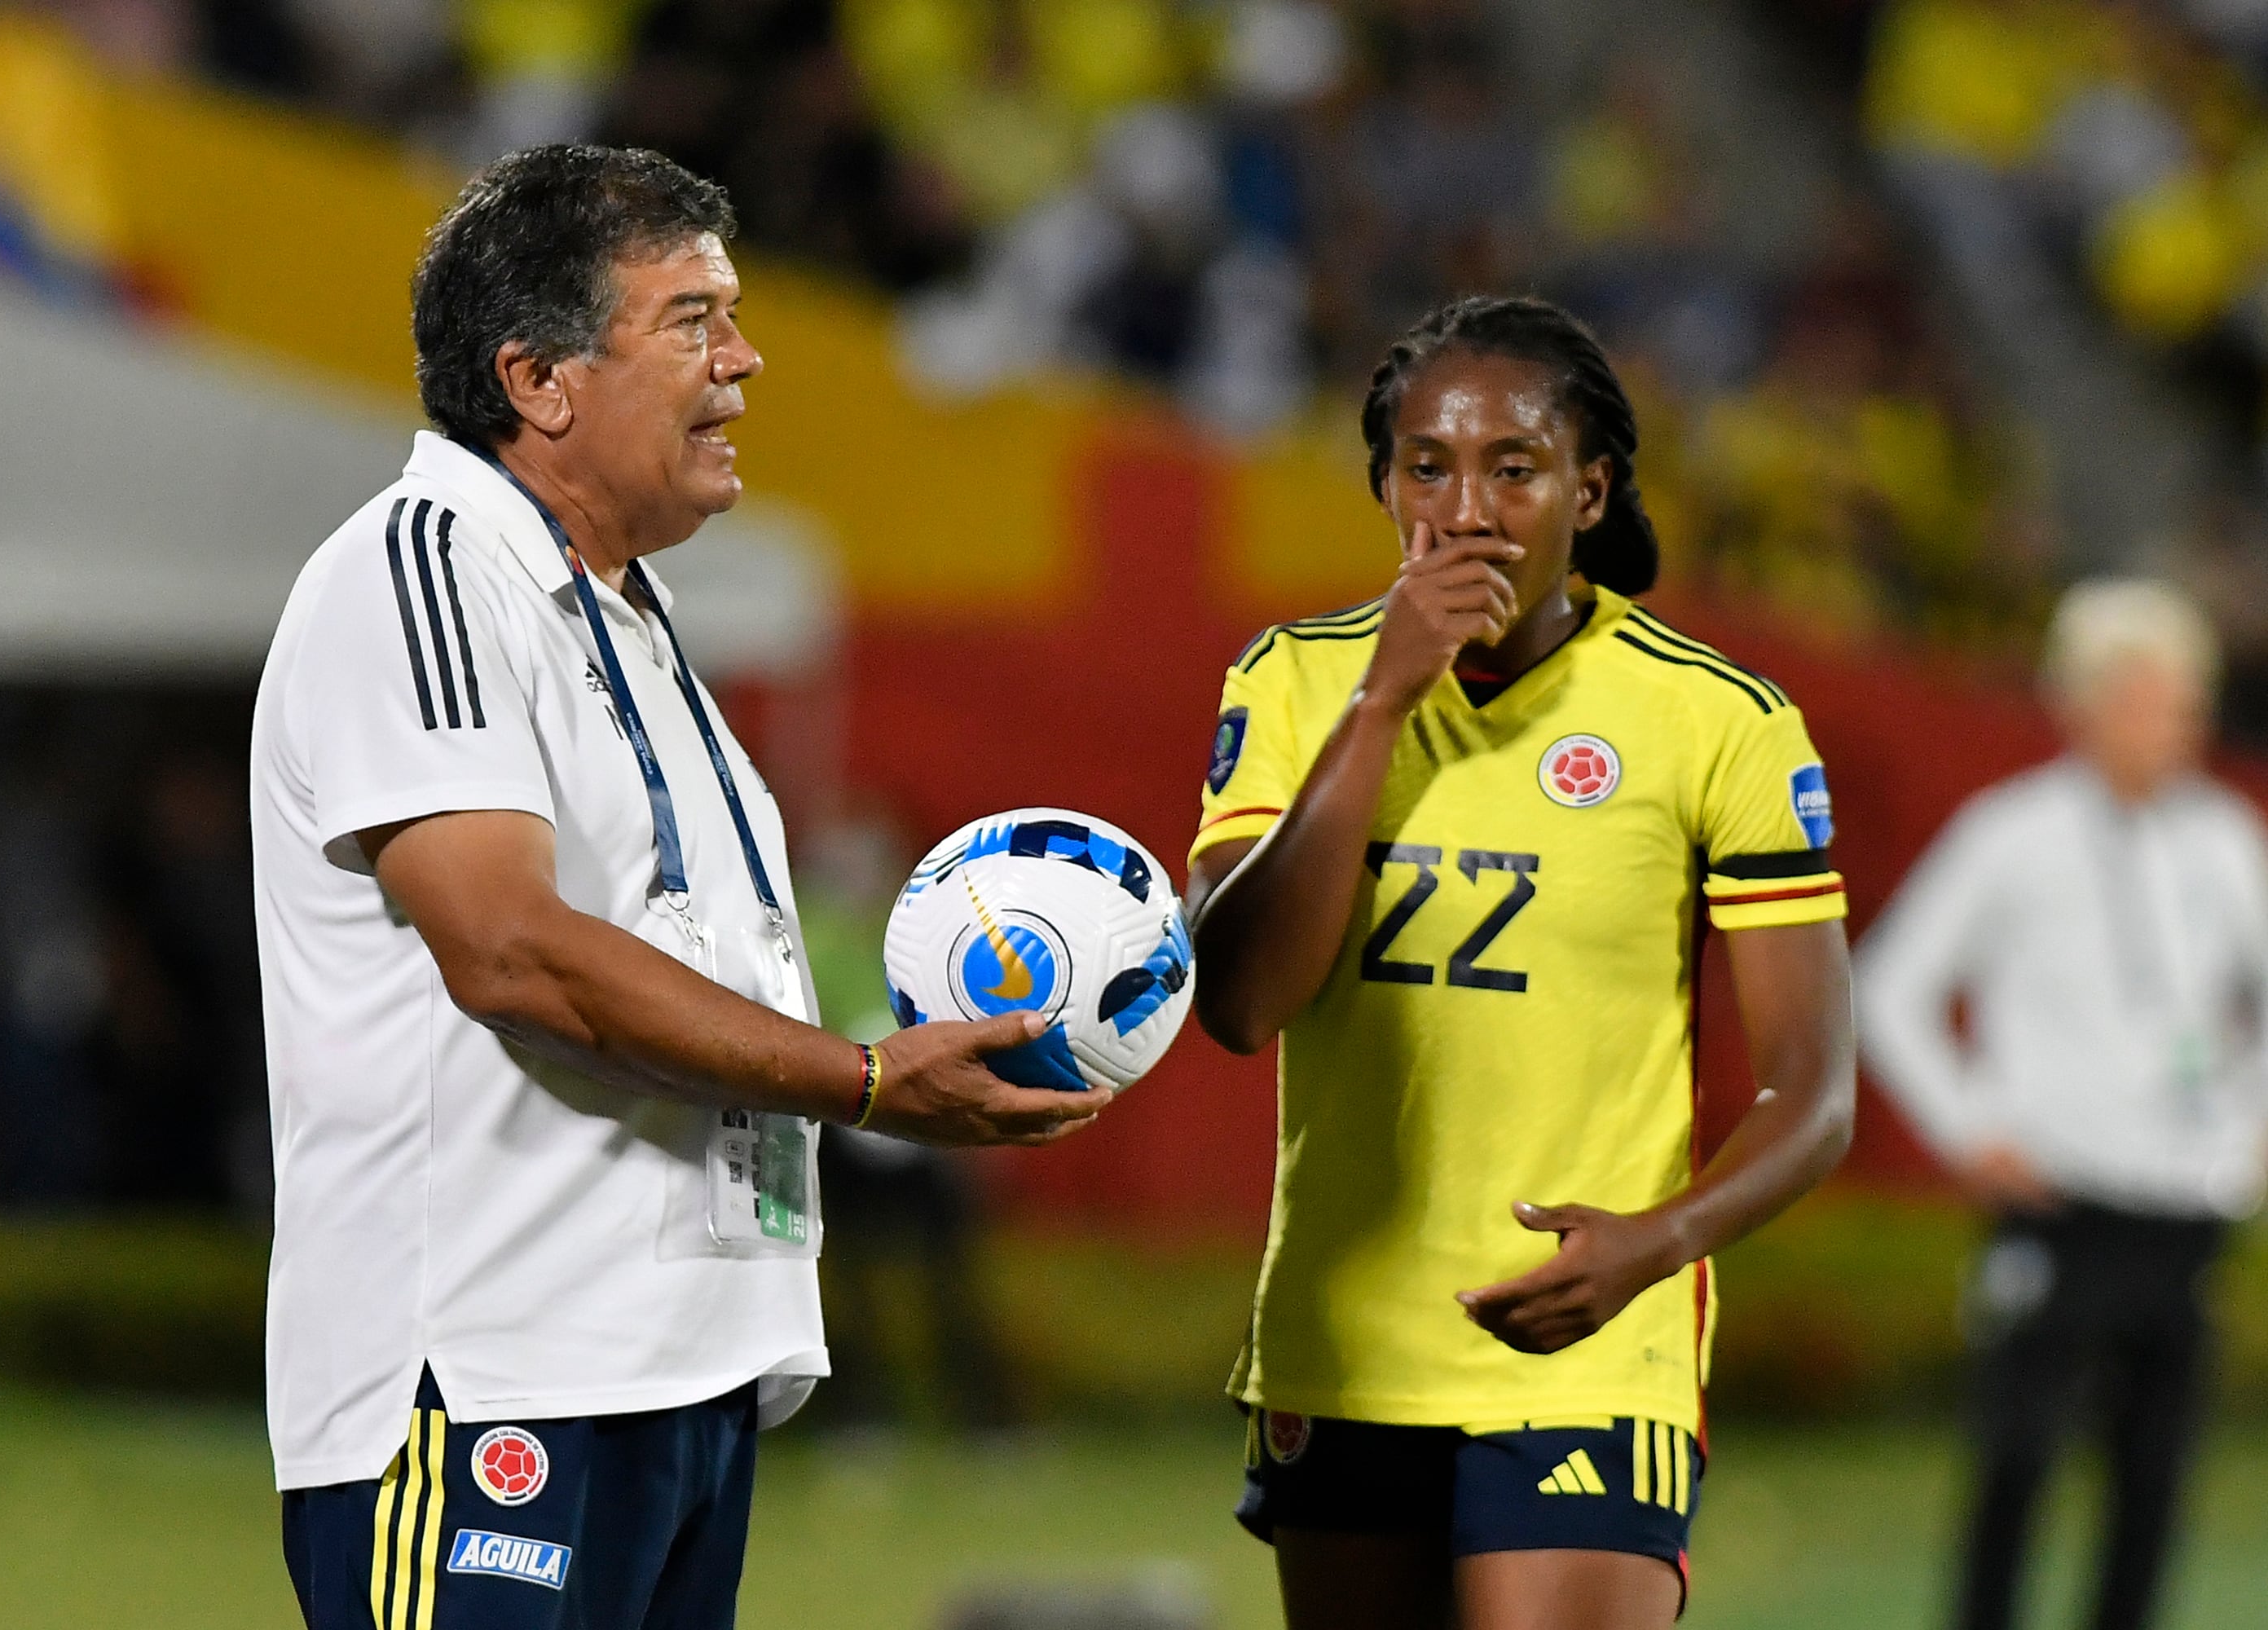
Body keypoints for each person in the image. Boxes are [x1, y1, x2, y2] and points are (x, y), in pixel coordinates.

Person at [251, 144, 1108, 1630]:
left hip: (674, 1379)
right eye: (694, 321)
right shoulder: (422, 574)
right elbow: (511, 951)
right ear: (540, 380)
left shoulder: (623, 617)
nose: (746, 358)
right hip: (490, 1384)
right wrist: (859, 1079)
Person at [1186, 295, 1856, 1630]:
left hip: (1591, 1350)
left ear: (1589, 491)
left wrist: (1655, 1245)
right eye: (1427, 465)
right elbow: (1243, 1001)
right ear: (1383, 487)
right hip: (1347, 1342)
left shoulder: (1716, 722)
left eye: (1515, 467)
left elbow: (1813, 1087)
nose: (1467, 507)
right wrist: (1384, 698)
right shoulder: (1291, 683)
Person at [1856, 579, 2268, 1630]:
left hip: (2184, 1204)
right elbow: (1890, 987)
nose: (2176, 718)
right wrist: (1967, 1129)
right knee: (2019, 1461)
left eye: (2185, 696)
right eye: (2149, 694)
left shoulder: (2224, 841)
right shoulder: (2013, 834)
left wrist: (2251, 1133)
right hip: (2056, 1196)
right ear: (2083, 702)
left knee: (2155, 1479)